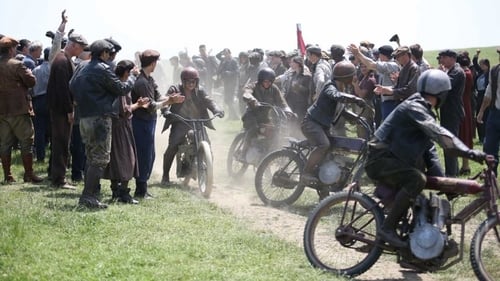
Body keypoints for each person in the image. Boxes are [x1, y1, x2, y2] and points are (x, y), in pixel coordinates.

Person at [364, 69, 486, 248]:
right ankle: (387, 229)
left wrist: (447, 184)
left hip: (393, 160)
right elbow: (439, 134)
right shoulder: (415, 107)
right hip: (381, 160)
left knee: (423, 198)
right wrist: (471, 152)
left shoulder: (422, 109)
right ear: (443, 93)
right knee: (417, 179)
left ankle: (412, 248)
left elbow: (429, 152)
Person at [69, 39, 133, 208]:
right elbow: (121, 89)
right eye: (109, 52)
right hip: (100, 119)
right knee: (100, 159)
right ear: (104, 53)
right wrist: (132, 78)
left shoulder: (82, 65)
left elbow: (71, 85)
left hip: (84, 117)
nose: (111, 56)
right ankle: (88, 196)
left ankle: (89, 194)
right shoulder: (103, 68)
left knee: (91, 156)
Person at [300, 61, 366, 200]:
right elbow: (335, 96)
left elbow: (341, 109)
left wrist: (357, 119)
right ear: (345, 77)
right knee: (324, 145)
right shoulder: (330, 87)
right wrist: (354, 99)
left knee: (329, 154)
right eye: (352, 75)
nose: (354, 78)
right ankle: (306, 172)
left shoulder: (341, 88)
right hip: (311, 123)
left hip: (323, 126)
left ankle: (324, 191)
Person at [160, 67, 223, 185]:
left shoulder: (200, 91)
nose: (191, 84)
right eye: (188, 81)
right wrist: (165, 110)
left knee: (207, 146)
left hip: (197, 122)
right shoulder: (175, 89)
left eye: (193, 81)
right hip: (180, 121)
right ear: (183, 81)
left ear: (197, 81)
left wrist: (217, 110)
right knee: (173, 145)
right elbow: (166, 99)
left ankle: (209, 177)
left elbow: (209, 101)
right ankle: (165, 176)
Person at [46, 13, 88, 189]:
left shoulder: (64, 59)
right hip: (62, 110)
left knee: (62, 143)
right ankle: (59, 180)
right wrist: (70, 110)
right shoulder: (63, 61)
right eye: (81, 48)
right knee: (61, 143)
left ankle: (59, 177)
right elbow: (64, 89)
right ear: (74, 45)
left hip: (60, 109)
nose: (82, 51)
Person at [131, 49, 178, 198]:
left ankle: (143, 188)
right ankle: (141, 189)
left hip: (148, 122)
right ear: (153, 63)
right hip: (142, 122)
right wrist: (168, 102)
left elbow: (158, 96)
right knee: (144, 155)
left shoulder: (149, 79)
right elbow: (151, 105)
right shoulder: (142, 82)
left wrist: (170, 98)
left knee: (150, 155)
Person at [104, 60, 149, 204]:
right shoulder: (121, 87)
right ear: (125, 73)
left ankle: (115, 190)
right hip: (121, 127)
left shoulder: (114, 84)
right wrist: (138, 105)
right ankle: (123, 192)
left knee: (116, 160)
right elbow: (124, 110)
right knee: (127, 160)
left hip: (117, 126)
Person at [0, 36, 43, 183]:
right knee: (26, 142)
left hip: (2, 110)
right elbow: (31, 81)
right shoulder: (17, 65)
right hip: (19, 109)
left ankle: (8, 176)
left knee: (4, 144)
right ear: (12, 49)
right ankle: (29, 174)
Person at [349, 44, 400, 120]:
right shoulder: (387, 65)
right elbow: (371, 64)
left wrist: (358, 53)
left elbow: (371, 65)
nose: (379, 57)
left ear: (383, 55)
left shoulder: (391, 65)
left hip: (391, 102)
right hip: (385, 101)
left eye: (380, 55)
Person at [437, 49, 466, 177]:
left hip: (452, 112)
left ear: (452, 58)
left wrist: (440, 74)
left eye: (443, 57)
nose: (441, 60)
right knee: (448, 144)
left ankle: (451, 175)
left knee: (450, 145)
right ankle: (451, 172)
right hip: (447, 112)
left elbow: (446, 84)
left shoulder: (457, 72)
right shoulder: (450, 71)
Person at [274, 55, 313, 137]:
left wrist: (299, 87)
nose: (290, 63)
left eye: (292, 62)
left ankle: (300, 138)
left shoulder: (306, 76)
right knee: (291, 121)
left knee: (299, 122)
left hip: (300, 104)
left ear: (298, 64)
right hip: (290, 102)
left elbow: (309, 91)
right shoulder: (291, 74)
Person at [477, 55, 500, 175]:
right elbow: (489, 92)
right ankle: (492, 177)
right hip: (495, 113)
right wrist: (481, 111)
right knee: (489, 147)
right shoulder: (495, 70)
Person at [31, 47, 51, 163]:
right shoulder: (53, 68)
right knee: (54, 129)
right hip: (50, 100)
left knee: (39, 130)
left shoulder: (36, 70)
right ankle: (54, 156)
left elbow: (32, 88)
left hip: (38, 100)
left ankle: (40, 156)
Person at [457, 53, 475, 175]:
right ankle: (465, 165)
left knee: (463, 135)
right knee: (465, 135)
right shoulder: (469, 73)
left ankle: (465, 165)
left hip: (462, 105)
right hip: (467, 104)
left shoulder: (463, 74)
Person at [472, 50, 490, 143]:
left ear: (487, 65)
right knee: (478, 115)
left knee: (486, 116)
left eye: (482, 64)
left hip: (487, 96)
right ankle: (481, 137)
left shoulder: (490, 73)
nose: (480, 66)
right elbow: (474, 63)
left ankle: (487, 136)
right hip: (479, 95)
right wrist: (477, 55)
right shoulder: (480, 73)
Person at [216, 48, 239, 120]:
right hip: (226, 82)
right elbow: (217, 56)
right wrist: (222, 52)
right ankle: (232, 115)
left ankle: (234, 116)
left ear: (230, 53)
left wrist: (229, 73)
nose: (225, 55)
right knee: (227, 100)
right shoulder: (223, 60)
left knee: (229, 100)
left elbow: (237, 71)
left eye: (226, 53)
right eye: (224, 54)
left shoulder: (234, 61)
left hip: (232, 82)